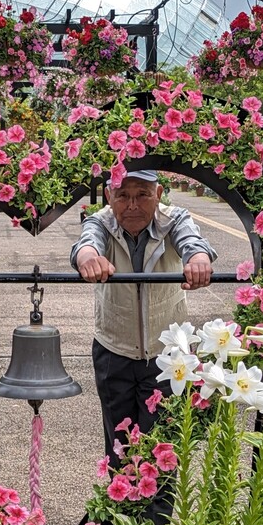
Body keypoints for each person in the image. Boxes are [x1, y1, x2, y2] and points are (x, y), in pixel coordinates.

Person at [72, 170, 216, 464]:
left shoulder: (174, 219)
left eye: (143, 195)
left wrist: (198, 260)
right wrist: (87, 258)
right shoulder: (101, 221)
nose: (132, 205)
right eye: (123, 195)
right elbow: (87, 242)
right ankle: (119, 505)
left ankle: (156, 509)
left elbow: (193, 242)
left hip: (167, 358)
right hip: (114, 350)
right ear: (109, 196)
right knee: (118, 448)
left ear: (159, 194)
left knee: (163, 450)